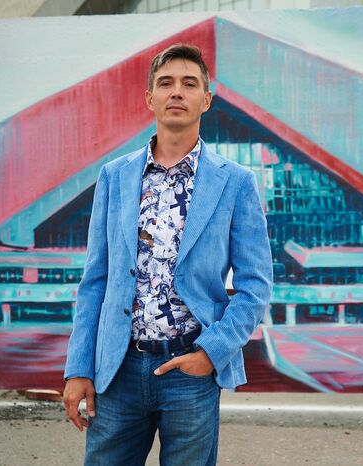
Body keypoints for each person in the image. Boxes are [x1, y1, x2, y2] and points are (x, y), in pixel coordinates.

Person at [62, 43, 273, 466]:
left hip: (190, 370)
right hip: (117, 369)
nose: (177, 91)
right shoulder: (115, 176)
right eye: (166, 83)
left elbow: (255, 286)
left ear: (206, 100)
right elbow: (95, 281)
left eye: (189, 84)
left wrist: (211, 352)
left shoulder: (235, 183)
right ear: (150, 98)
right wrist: (79, 367)